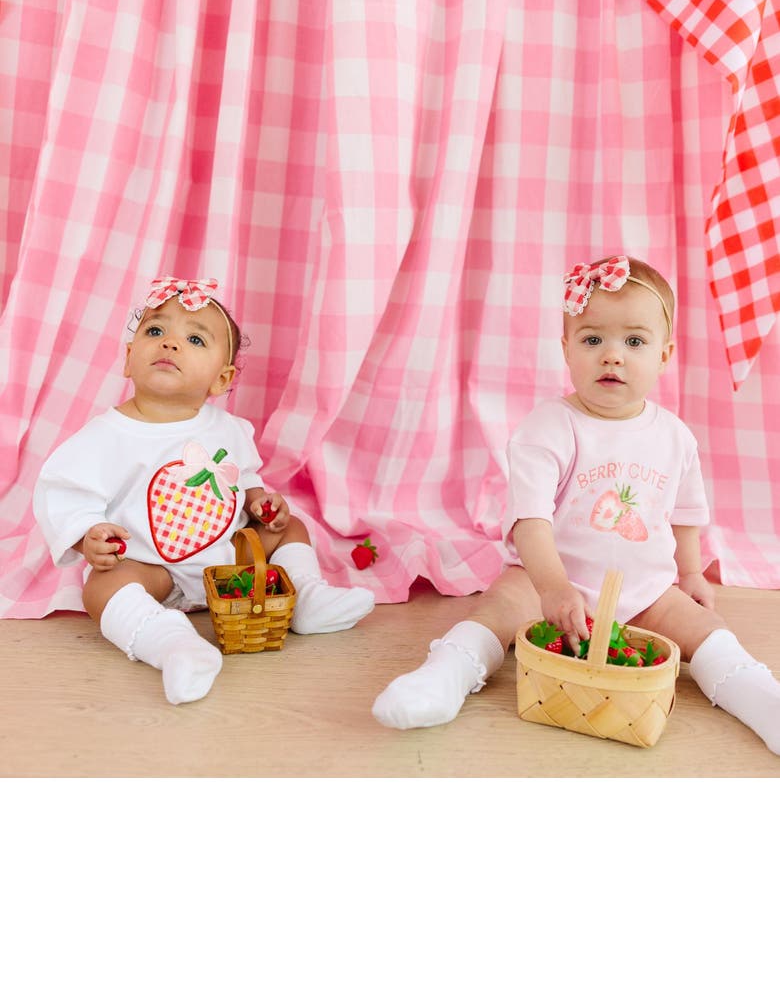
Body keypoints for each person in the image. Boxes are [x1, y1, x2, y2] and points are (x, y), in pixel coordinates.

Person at [372, 255, 780, 755]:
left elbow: (685, 515)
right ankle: (444, 676)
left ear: (665, 354)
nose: (613, 356)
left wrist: (691, 574)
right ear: (566, 348)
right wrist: (553, 587)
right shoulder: (549, 427)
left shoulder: (675, 436)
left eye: (634, 341)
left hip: (646, 589)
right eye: (593, 340)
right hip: (546, 577)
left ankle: (760, 698)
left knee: (707, 631)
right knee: (499, 610)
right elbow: (531, 521)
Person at [33, 276, 374, 705]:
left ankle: (303, 596)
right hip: (152, 568)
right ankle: (169, 643)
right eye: (155, 331)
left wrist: (259, 502)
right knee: (101, 587)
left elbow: (243, 480)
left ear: (221, 379)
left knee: (291, 529)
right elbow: (67, 494)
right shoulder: (103, 436)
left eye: (195, 339)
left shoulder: (229, 429)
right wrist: (88, 536)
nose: (170, 344)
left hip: (229, 558)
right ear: (127, 358)